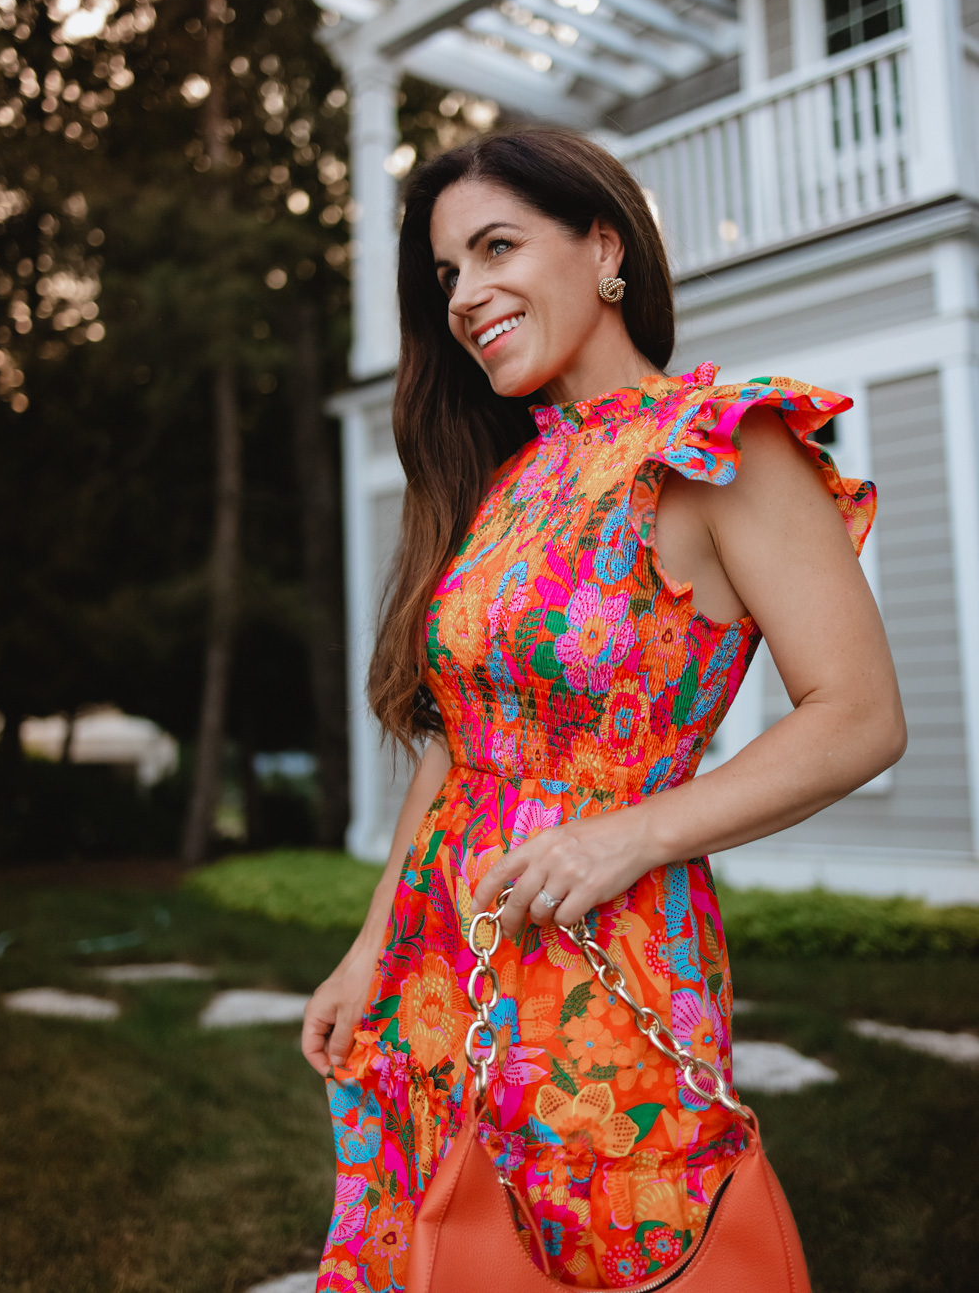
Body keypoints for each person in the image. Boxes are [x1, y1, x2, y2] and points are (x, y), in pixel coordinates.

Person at [304, 127, 905, 1292]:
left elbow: (860, 716)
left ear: (605, 247)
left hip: (598, 957)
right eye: (446, 275)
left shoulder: (721, 446)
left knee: (611, 1247)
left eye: (495, 248)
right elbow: (459, 744)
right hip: (441, 956)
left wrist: (629, 832)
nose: (467, 296)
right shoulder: (506, 476)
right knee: (431, 1248)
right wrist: (371, 947)